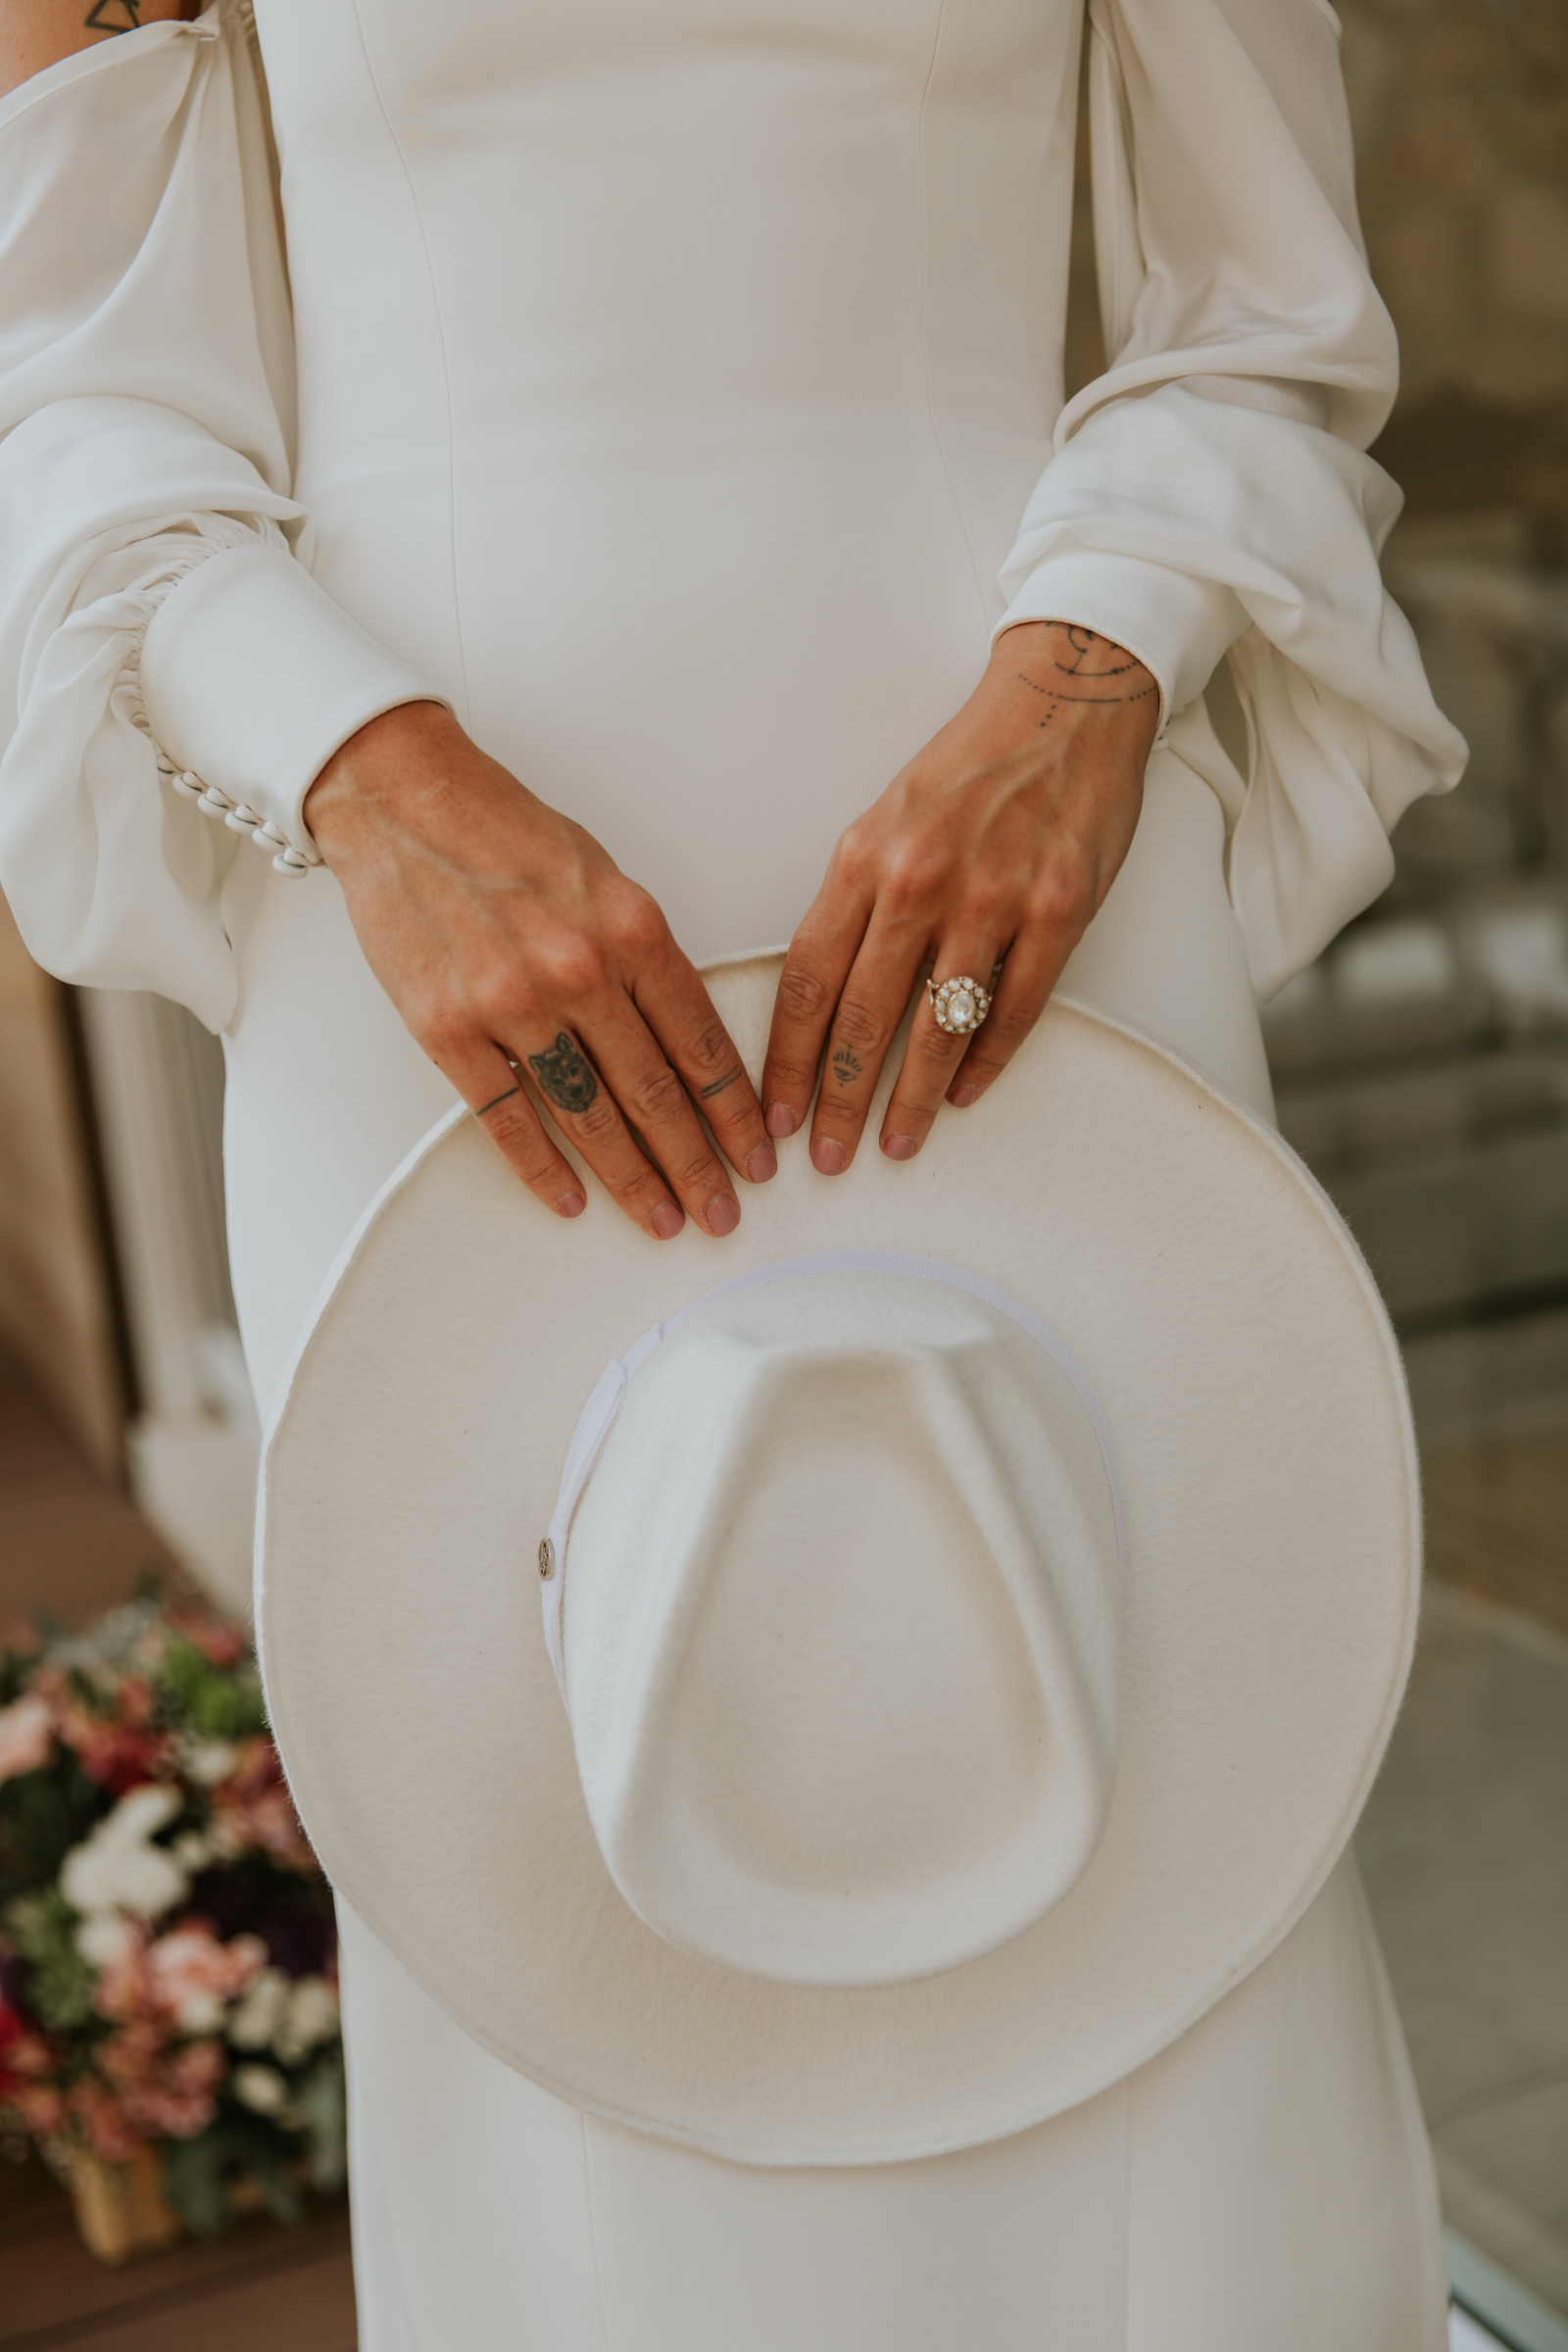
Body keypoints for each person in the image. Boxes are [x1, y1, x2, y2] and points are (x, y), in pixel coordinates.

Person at [0, 1, 1464, 2341]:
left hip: (1022, 890)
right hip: (428, 973)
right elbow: (71, 387)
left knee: (1159, 1828)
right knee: (569, 1896)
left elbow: (1263, 319)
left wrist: (1090, 679)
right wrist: (359, 773)